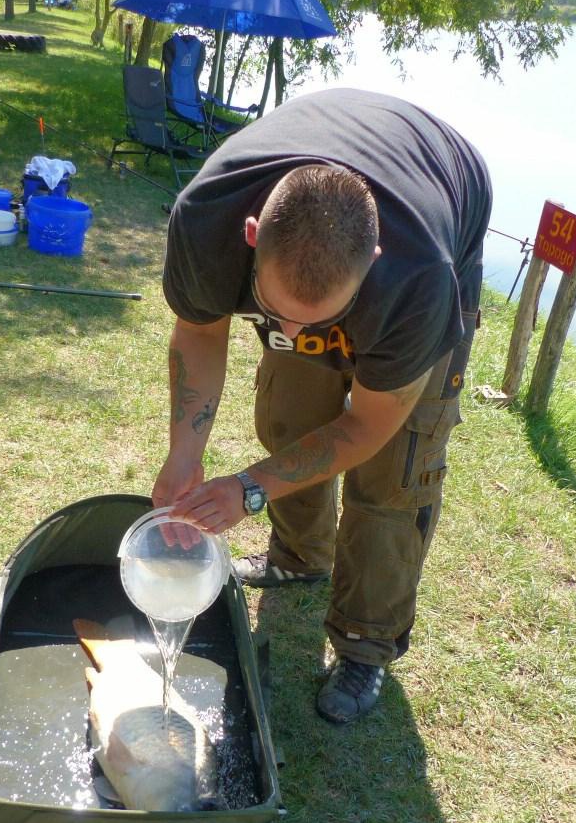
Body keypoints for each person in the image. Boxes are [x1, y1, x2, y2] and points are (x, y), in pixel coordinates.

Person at [153, 88, 492, 724]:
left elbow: (366, 423)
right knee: (290, 408)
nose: (295, 331)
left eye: (319, 320)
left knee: (395, 471)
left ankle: (366, 642)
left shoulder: (419, 278)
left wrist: (249, 488)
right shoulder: (207, 219)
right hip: (326, 187)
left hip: (445, 194)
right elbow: (199, 332)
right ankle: (300, 556)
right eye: (274, 310)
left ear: (375, 263)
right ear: (251, 238)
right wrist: (184, 453)